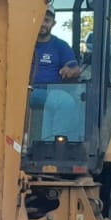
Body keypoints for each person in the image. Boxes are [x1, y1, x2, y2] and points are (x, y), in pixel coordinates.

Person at [29, 9, 83, 142]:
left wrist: (69, 71)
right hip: (25, 91)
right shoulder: (24, 43)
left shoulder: (60, 46)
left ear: (53, 23)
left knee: (65, 101)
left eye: (46, 20)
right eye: (40, 19)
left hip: (49, 91)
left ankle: (54, 142)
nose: (42, 24)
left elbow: (76, 69)